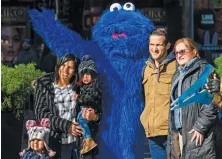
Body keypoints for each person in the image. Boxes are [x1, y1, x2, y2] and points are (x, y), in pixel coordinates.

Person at [34, 53, 100, 159]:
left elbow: (95, 109)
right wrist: (66, 126)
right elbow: (41, 113)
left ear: (75, 71)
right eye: (63, 65)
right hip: (54, 141)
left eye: (70, 68)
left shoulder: (80, 86)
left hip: (78, 143)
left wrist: (94, 116)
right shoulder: (44, 83)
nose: (65, 70)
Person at [167, 37, 222, 158]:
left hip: (198, 132)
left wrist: (200, 127)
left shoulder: (205, 70)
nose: (179, 55)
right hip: (181, 133)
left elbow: (211, 101)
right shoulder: (177, 75)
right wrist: (174, 135)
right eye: (176, 52)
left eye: (183, 51)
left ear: (194, 51)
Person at [140, 28, 176, 159]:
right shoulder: (146, 68)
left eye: (158, 45)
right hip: (152, 133)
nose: (154, 49)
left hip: (172, 132)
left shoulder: (177, 67)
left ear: (167, 46)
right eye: (152, 44)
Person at [73, 55, 102, 156]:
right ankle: (87, 140)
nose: (85, 77)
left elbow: (90, 100)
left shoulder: (94, 88)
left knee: (81, 118)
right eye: (83, 75)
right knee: (80, 119)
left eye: (88, 74)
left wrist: (79, 98)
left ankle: (88, 139)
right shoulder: (81, 87)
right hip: (82, 113)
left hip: (89, 111)